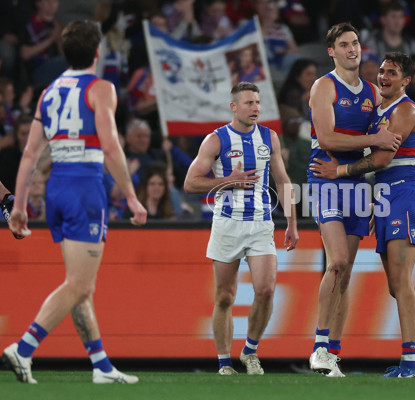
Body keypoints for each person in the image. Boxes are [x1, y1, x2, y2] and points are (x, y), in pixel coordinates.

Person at [1, 20, 147, 384]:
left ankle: (100, 366)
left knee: (81, 283)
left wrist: (19, 204)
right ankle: (23, 348)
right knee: (80, 285)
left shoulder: (49, 91)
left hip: (57, 187)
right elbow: (111, 146)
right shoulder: (100, 89)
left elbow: (30, 154)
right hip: (85, 186)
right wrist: (131, 196)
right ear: (98, 53)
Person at [310, 52, 415, 378]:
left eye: (392, 73)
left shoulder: (406, 109)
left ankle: (410, 362)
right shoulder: (380, 111)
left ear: (406, 80)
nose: (384, 77)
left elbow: (382, 159)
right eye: (382, 71)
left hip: (403, 194)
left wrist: (339, 170)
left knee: (401, 280)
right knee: (398, 285)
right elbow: (375, 146)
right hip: (385, 196)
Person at [305, 22, 402, 378]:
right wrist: (375, 140)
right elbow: (328, 139)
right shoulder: (323, 86)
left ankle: (333, 353)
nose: (352, 49)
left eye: (356, 43)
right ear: (331, 51)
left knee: (344, 275)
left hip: (358, 183)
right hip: (324, 179)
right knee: (338, 262)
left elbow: (389, 140)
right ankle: (318, 346)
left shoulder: (373, 93)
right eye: (344, 44)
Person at [183, 82, 299, 375]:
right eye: (249, 103)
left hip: (261, 223)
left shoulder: (270, 138)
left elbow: (283, 181)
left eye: (258, 102)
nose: (256, 108)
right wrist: (227, 181)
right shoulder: (216, 140)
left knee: (265, 290)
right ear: (233, 107)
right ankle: (224, 362)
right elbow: (190, 183)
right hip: (227, 224)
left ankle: (250, 351)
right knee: (224, 296)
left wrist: (292, 222)